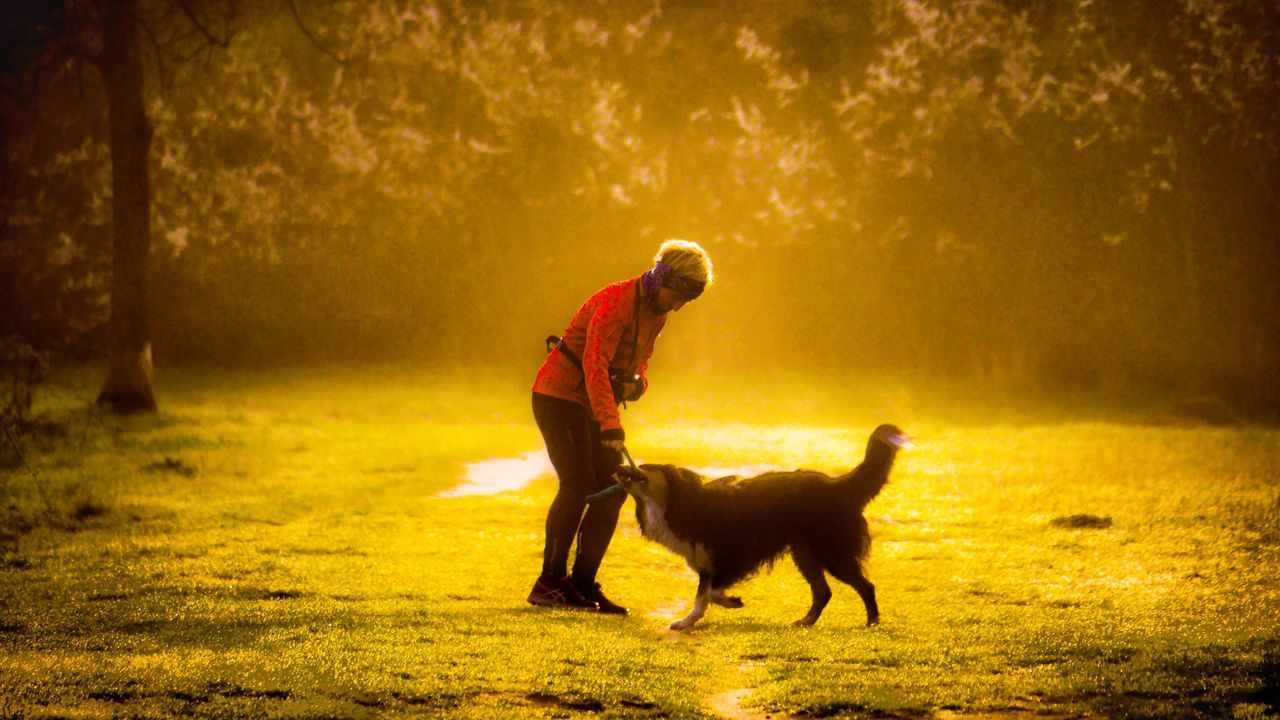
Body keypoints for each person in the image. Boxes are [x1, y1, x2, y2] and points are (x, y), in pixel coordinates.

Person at [527, 239, 714, 614]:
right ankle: (549, 583)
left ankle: (581, 585)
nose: (677, 306)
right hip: (559, 397)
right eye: (676, 296)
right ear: (662, 277)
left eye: (685, 302)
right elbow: (593, 367)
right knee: (578, 485)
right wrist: (612, 426)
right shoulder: (615, 304)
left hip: (595, 405)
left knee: (612, 491)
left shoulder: (657, 312)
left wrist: (637, 385)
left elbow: (641, 362)